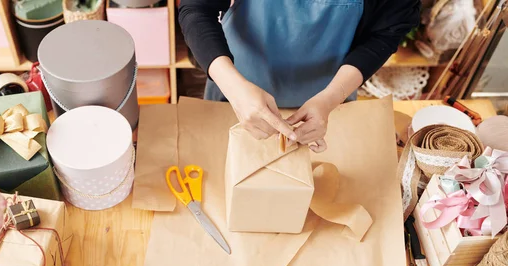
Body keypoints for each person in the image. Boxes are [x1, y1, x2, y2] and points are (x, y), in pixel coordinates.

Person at [179, 0, 421, 152]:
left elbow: (385, 34)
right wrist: (233, 87)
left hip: (331, 98)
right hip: (236, 93)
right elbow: (196, 10)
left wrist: (329, 99)